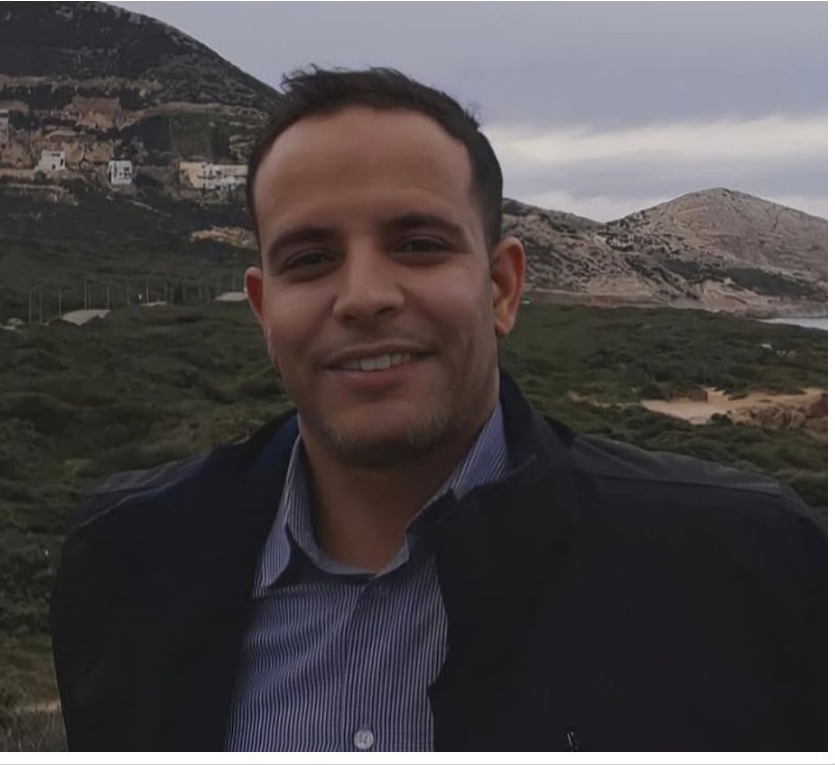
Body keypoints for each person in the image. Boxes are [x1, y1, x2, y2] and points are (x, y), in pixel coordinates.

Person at [51, 67, 826, 753]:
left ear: (501, 289)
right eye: (310, 258)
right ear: (263, 312)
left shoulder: (740, 569)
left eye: (418, 244)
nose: (362, 297)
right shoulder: (128, 562)